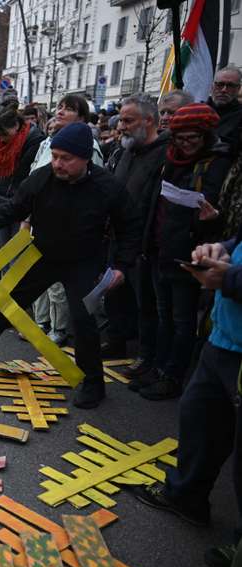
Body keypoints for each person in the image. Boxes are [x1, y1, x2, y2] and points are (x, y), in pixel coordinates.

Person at [0, 123, 139, 409]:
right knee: (7, 300)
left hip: (83, 262)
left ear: (85, 158)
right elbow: (16, 206)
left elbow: (129, 226)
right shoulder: (42, 178)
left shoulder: (108, 186)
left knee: (83, 320)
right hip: (43, 255)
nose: (58, 164)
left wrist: (122, 266)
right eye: (54, 156)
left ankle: (92, 382)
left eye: (66, 158)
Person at [135, 223, 242, 567]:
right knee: (199, 418)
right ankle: (186, 496)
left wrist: (230, 279)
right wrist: (220, 248)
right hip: (224, 337)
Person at [132, 104, 231, 400]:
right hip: (160, 247)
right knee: (163, 316)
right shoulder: (169, 159)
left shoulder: (218, 163)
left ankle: (172, 376)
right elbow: (154, 202)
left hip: (190, 253)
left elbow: (225, 216)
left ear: (205, 136)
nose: (186, 145)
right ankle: (157, 367)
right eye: (181, 139)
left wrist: (214, 219)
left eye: (193, 139)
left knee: (182, 321)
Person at [29, 95, 103, 347]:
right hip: (41, 221)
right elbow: (34, 179)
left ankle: (59, 328)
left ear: (81, 118)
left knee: (61, 286)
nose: (60, 112)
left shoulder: (88, 148)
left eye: (68, 109)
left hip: (69, 230)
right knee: (35, 277)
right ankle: (39, 322)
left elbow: (94, 189)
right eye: (59, 107)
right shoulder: (47, 143)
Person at [106, 95, 170, 371]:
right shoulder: (125, 151)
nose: (122, 126)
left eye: (128, 120)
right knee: (115, 295)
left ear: (149, 121)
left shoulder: (164, 154)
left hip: (144, 243)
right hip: (118, 238)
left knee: (147, 304)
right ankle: (117, 340)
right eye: (121, 119)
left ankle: (147, 357)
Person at [0, 109, 46, 248]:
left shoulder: (34, 141)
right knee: (2, 247)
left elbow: (28, 176)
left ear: (16, 126)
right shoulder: (1, 145)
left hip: (20, 203)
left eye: (4, 134)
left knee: (14, 250)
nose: (1, 139)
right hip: (2, 200)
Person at [208, 67, 242, 152]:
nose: (224, 90)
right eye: (220, 84)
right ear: (212, 86)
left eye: (230, 86)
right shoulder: (197, 110)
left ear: (238, 89)